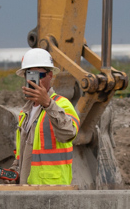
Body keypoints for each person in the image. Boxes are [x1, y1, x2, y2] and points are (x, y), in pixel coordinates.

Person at [11, 48, 79, 185]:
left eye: (38, 75)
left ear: (50, 75)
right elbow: (22, 151)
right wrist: (15, 169)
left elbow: (70, 133)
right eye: (29, 75)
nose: (33, 81)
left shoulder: (62, 105)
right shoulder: (25, 113)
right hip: (28, 186)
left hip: (53, 185)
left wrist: (48, 104)